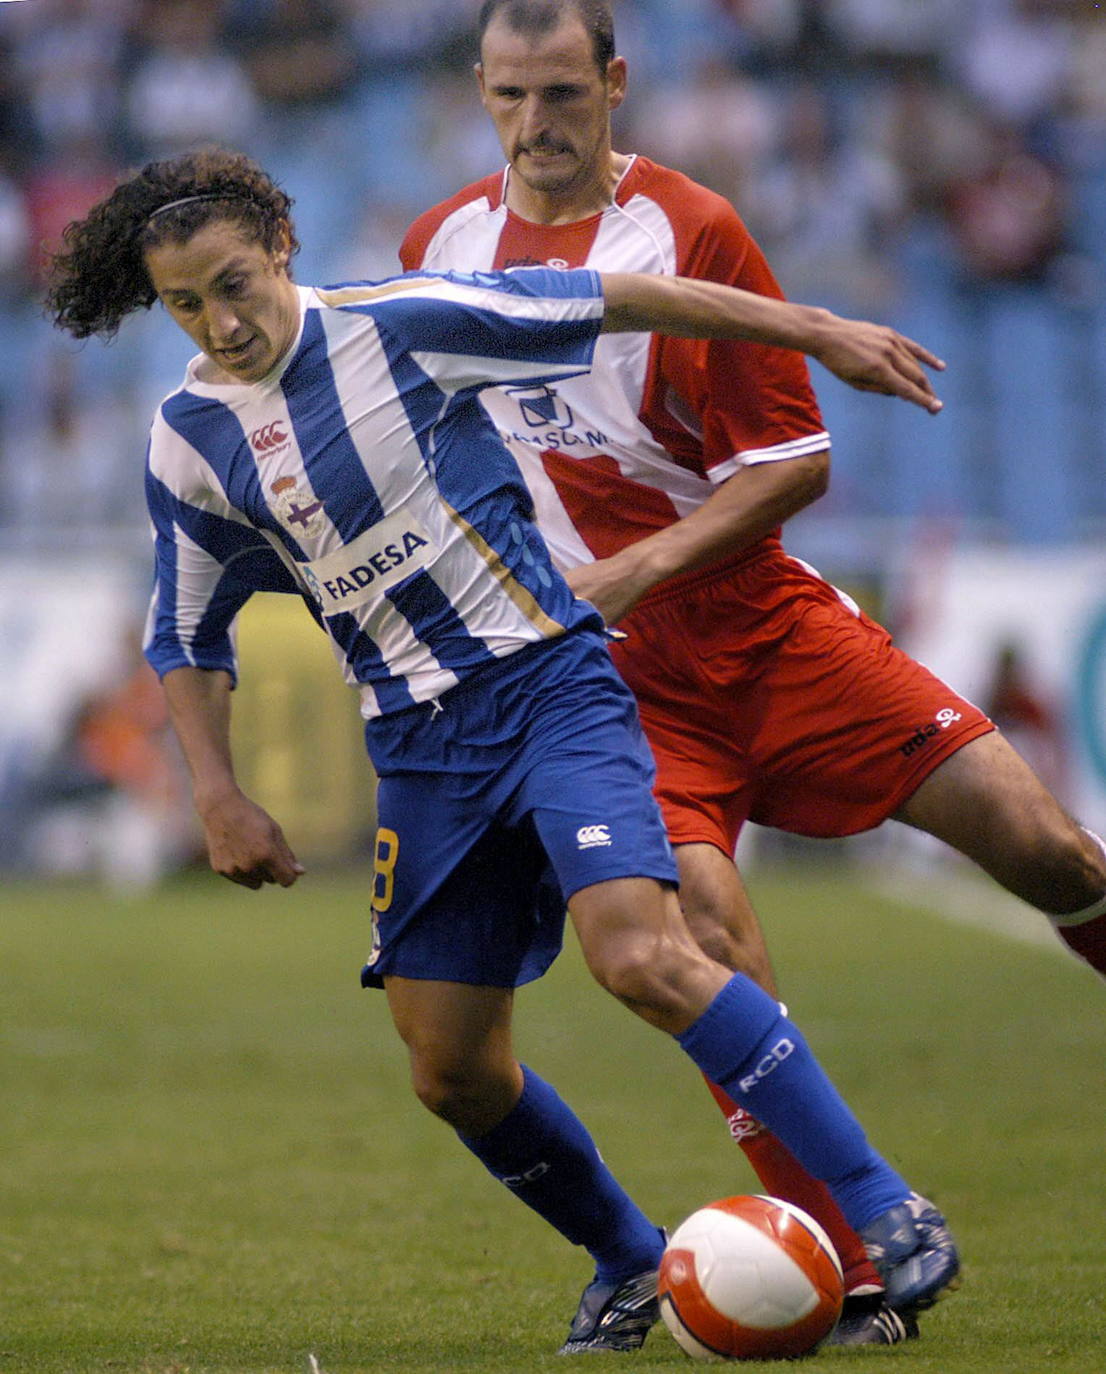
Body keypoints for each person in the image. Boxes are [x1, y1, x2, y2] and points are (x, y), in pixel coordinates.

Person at [46, 146, 959, 1355]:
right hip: (420, 754)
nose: (221, 323)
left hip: (549, 688)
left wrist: (814, 330)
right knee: (449, 1072)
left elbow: (625, 297)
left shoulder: (405, 325)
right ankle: (632, 1261)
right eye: (185, 306)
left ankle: (883, 1205)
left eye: (233, 284)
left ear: (281, 246)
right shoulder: (186, 440)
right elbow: (184, 627)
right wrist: (214, 790)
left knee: (640, 955)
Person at [400, 0, 1106, 1346]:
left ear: (612, 84)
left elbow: (796, 463)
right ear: (478, 92)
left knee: (1051, 852)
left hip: (773, 633)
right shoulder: (439, 246)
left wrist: (639, 565)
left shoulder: (690, 230)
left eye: (558, 95)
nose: (533, 126)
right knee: (703, 937)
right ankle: (846, 1263)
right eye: (506, 97)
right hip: (614, 684)